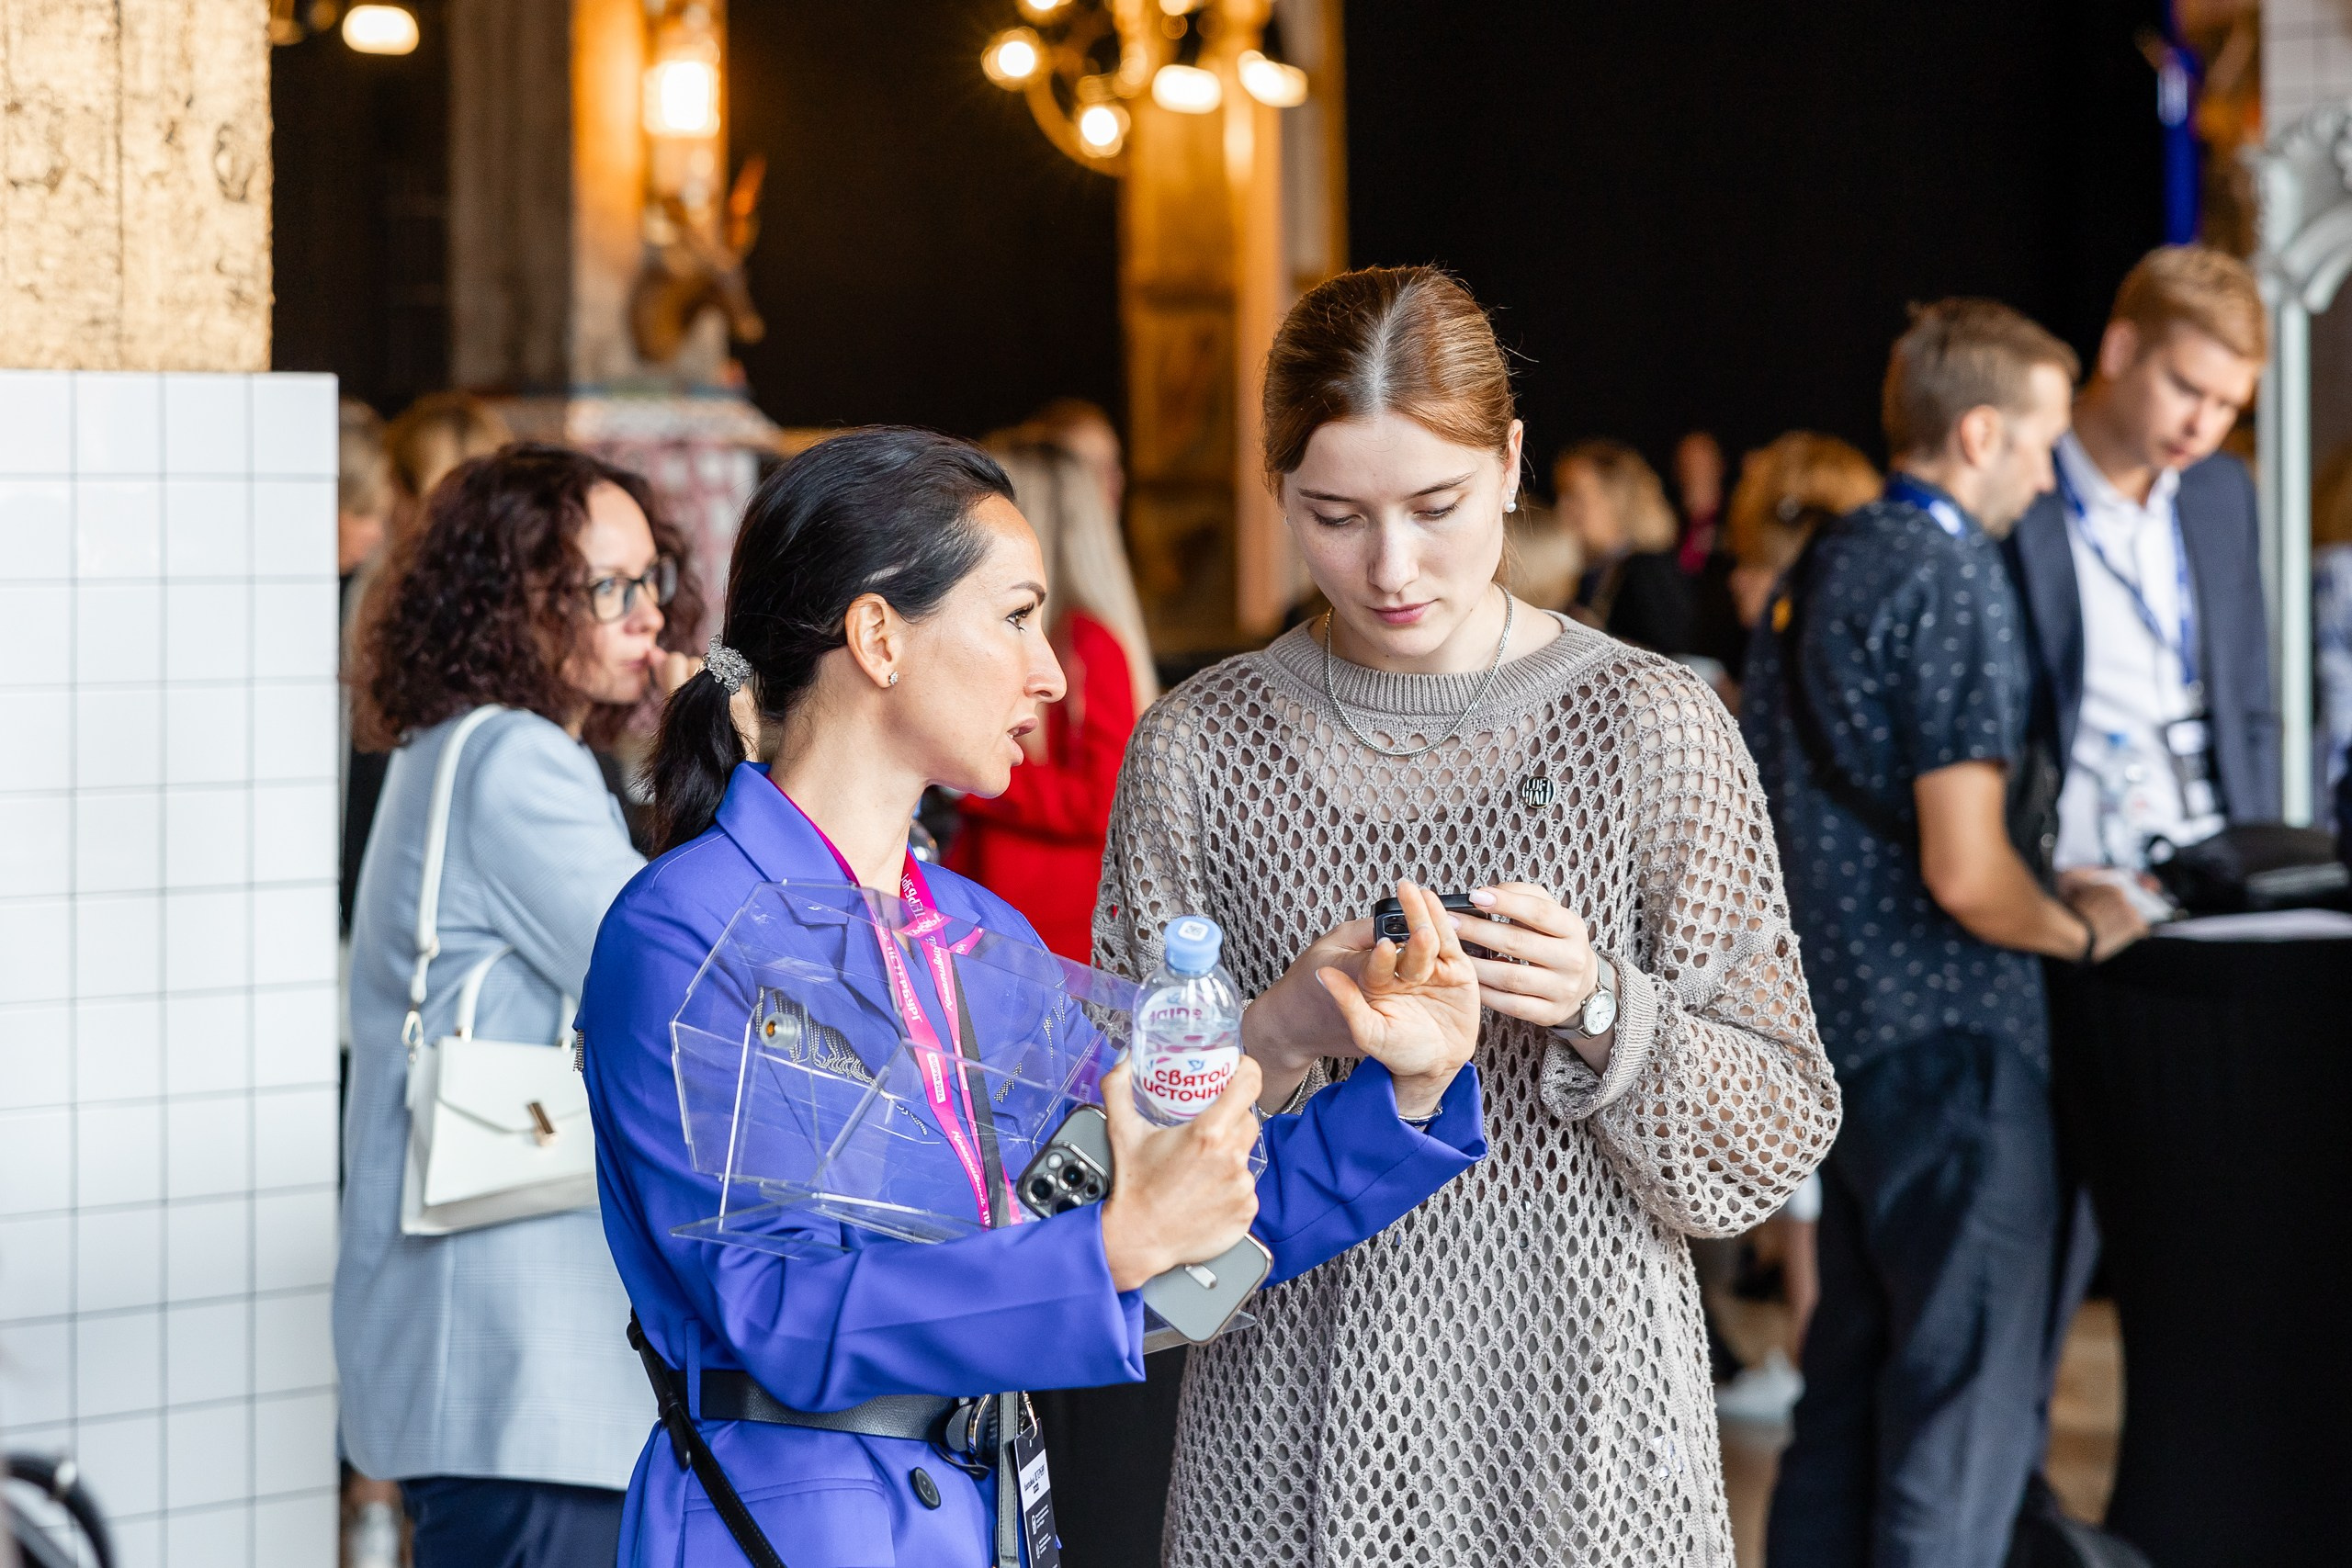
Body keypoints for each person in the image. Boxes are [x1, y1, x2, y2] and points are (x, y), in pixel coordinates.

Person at [576, 426, 1489, 1566]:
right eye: (1015, 617)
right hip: (792, 1526)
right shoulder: (686, 928)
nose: (1050, 673)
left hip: (991, 1514)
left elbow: (1182, 1227)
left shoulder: (973, 931)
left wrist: (1404, 1091)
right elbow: (780, 1313)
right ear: (878, 637)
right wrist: (1109, 1250)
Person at [1101, 265, 1841, 1565]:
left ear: (1509, 465)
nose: (1391, 567)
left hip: (1588, 1433)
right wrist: (1273, 1035)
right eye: (1335, 516)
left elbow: (1775, 1134)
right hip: (1291, 1432)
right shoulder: (1201, 748)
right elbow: (1107, 1176)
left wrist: (1602, 1007)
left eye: (1435, 507)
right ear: (1278, 491)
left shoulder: (1646, 725)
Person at [1745, 300, 2148, 1568]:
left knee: (1845, 1406)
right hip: (1958, 1041)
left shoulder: (1819, 562)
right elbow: (1967, 872)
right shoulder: (1953, 571)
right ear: (1979, 433)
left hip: (1839, 1040)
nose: (2048, 470)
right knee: (1958, 1426)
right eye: (2039, 439)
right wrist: (2084, 932)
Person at [335, 444, 703, 1568]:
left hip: (489, 1380)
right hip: (516, 1374)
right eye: (608, 588)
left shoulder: (460, 745)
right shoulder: (515, 759)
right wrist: (718, 758)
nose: (646, 615)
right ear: (517, 602)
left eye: (652, 579)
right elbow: (674, 975)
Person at [2006, 244, 2276, 874]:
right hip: (2076, 872)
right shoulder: (2021, 491)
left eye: (2228, 405)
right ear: (2120, 349)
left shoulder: (2222, 491)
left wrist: (2262, 863)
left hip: (2218, 868)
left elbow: (2251, 699)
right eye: (2186, 388)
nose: (2202, 425)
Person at [947, 439, 1158, 961]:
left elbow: (1102, 798)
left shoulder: (1088, 641)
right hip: (995, 893)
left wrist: (966, 780)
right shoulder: (1057, 635)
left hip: (1049, 917)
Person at [1555, 437, 1697, 654]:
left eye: (1576, 497)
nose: (1562, 508)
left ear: (1616, 499)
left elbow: (1670, 655)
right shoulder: (1597, 568)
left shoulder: (1648, 572)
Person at [1672, 428, 1726, 573]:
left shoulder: (1736, 520)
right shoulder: (1670, 524)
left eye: (1703, 462)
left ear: (1721, 465)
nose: (1696, 471)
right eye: (1688, 463)